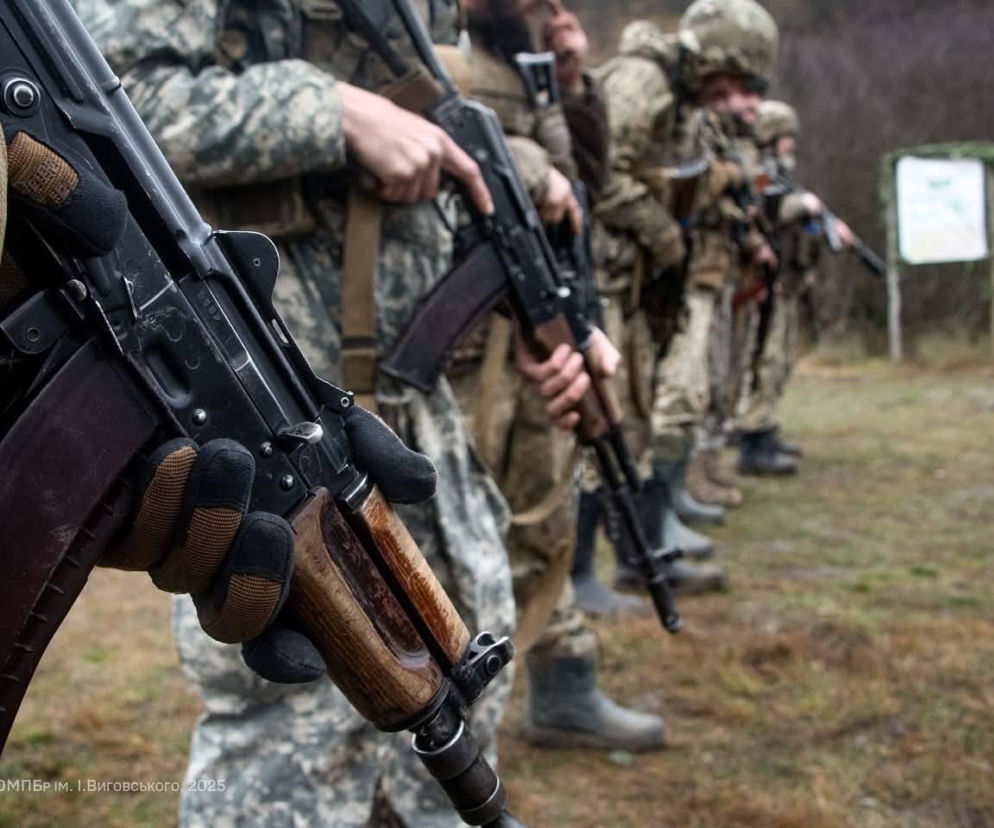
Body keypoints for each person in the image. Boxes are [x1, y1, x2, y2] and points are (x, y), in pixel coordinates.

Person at [74, 1, 593, 824]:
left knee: (461, 660)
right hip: (264, 402)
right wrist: (332, 113)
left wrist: (538, 298)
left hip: (410, 414)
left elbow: (426, 134)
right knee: (294, 712)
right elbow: (97, 99)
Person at [444, 0, 665, 753]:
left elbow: (590, 181)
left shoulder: (529, 62)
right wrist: (531, 163)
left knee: (546, 508)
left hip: (540, 308)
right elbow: (438, 119)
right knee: (468, 526)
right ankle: (448, 722)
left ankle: (564, 686)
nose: (553, 10)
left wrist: (573, 82)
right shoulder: (439, 38)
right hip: (466, 335)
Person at [734, 99, 853, 471]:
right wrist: (804, 206)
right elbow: (765, 213)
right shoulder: (760, 174)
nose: (791, 144)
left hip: (787, 281)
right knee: (766, 359)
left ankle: (766, 426)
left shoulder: (781, 175)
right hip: (765, 284)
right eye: (786, 137)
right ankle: (752, 436)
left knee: (781, 359)